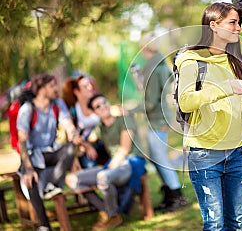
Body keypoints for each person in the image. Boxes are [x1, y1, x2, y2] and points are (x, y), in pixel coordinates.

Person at [175, 2, 242, 231]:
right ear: (214, 25)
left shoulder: (235, 59)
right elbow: (186, 101)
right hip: (205, 154)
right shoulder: (192, 61)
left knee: (236, 223)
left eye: (238, 22)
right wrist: (225, 87)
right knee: (215, 224)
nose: (238, 28)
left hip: (237, 153)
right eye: (232, 22)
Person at [66, 93, 146, 231]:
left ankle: (112, 216)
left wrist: (109, 168)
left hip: (130, 163)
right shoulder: (100, 127)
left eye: (105, 102)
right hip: (113, 165)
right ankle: (106, 211)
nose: (103, 106)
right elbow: (85, 141)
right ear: (94, 112)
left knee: (103, 177)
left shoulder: (124, 120)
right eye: (98, 106)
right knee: (72, 180)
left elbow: (124, 149)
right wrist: (87, 146)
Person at [129, 32, 188, 212]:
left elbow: (150, 101)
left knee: (160, 158)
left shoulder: (154, 67)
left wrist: (129, 110)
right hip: (159, 118)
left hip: (157, 120)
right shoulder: (158, 64)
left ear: (144, 47)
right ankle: (170, 194)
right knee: (156, 158)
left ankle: (177, 197)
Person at [17, 73, 80, 231]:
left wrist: (73, 133)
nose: (55, 89)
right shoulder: (27, 110)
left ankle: (52, 184)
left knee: (70, 148)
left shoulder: (57, 104)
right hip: (33, 155)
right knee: (30, 180)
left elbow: (68, 124)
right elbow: (22, 141)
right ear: (41, 89)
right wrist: (29, 168)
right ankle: (44, 226)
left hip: (51, 152)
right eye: (51, 86)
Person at [62, 75, 109, 169]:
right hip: (82, 144)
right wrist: (86, 146)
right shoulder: (73, 111)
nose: (90, 88)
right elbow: (72, 134)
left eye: (90, 85)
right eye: (85, 86)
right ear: (77, 92)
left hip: (101, 139)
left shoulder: (97, 103)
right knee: (89, 161)